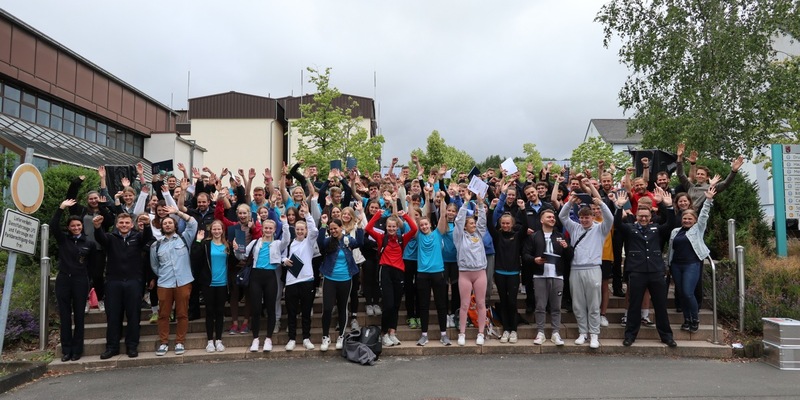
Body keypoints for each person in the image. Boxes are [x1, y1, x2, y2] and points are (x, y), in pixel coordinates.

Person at [613, 190, 678, 347]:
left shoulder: (656, 229)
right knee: (634, 305)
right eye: (641, 216)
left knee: (661, 305)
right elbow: (617, 224)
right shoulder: (630, 228)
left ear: (650, 218)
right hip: (637, 272)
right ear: (636, 216)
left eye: (646, 216)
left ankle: (667, 336)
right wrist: (619, 207)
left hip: (656, 272)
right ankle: (630, 335)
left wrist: (668, 206)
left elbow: (670, 224)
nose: (643, 218)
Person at [558, 180, 613, 349]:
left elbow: (610, 217)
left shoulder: (600, 228)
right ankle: (583, 332)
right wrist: (570, 203)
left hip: (593, 268)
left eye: (587, 217)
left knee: (593, 303)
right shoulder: (575, 228)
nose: (584, 220)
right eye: (582, 217)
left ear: (592, 217)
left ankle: (594, 334)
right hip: (576, 269)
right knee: (578, 303)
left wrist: (601, 203)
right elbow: (562, 216)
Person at [93, 211, 153, 359]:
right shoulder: (110, 238)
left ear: (132, 225)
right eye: (121, 223)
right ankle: (112, 347)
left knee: (133, 315)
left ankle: (132, 346)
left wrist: (147, 225)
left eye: (127, 223)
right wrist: (97, 227)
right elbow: (100, 238)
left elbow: (147, 238)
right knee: (113, 316)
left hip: (133, 281)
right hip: (114, 282)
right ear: (117, 225)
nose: (124, 225)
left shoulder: (137, 237)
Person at [365, 193, 418, 347]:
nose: (392, 229)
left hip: (399, 271)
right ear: (386, 227)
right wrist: (378, 215)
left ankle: (392, 332)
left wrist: (405, 216)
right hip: (385, 270)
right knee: (388, 304)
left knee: (395, 305)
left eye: (394, 227)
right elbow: (368, 228)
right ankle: (383, 334)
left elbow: (414, 229)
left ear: (397, 227)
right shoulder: (383, 238)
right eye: (389, 227)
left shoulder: (402, 238)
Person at [238, 212, 290, 352]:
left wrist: (284, 223)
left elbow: (286, 240)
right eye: (265, 228)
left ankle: (268, 339)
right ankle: (255, 339)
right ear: (262, 229)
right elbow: (242, 255)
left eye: (270, 228)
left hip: (270, 277)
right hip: (256, 276)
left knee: (271, 308)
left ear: (274, 230)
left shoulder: (278, 243)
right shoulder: (255, 242)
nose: (267, 230)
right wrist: (238, 248)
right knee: (256, 309)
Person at [150, 207, 198, 356]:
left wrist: (177, 212)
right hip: (164, 283)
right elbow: (155, 266)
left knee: (182, 314)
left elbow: (193, 223)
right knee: (163, 314)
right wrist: (164, 275)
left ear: (175, 225)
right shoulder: (156, 245)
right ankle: (164, 342)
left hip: (183, 282)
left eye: (170, 222)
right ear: (161, 227)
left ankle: (179, 342)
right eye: (165, 223)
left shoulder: (185, 239)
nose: (168, 225)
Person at [52, 199, 96, 362]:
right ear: (69, 228)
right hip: (64, 280)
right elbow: (53, 226)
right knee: (64, 316)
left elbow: (91, 266)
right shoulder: (64, 240)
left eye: (78, 225)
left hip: (80, 281)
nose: (76, 228)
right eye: (73, 226)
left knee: (79, 316)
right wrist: (61, 208)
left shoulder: (89, 243)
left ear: (82, 226)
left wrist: (89, 283)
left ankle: (77, 350)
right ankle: (67, 350)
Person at [669, 186, 716, 333]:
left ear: (694, 220)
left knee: (688, 292)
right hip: (676, 265)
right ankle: (686, 319)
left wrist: (708, 199)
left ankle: (694, 318)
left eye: (690, 219)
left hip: (692, 264)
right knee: (682, 293)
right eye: (685, 218)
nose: (687, 220)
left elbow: (704, 215)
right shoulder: (675, 231)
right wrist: (668, 264)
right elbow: (671, 249)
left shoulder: (697, 229)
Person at [524, 208, 571, 346]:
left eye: (553, 217)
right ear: (541, 220)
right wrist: (534, 260)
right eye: (549, 217)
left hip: (557, 275)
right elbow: (525, 254)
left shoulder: (560, 236)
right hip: (540, 275)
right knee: (540, 305)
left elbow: (569, 256)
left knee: (556, 306)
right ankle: (540, 332)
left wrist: (567, 247)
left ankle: (556, 332)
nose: (552, 219)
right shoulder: (534, 236)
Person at [318, 214, 365, 351]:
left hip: (346, 279)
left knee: (342, 307)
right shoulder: (328, 241)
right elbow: (320, 243)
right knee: (327, 308)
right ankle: (325, 337)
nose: (333, 231)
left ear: (341, 228)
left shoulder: (347, 240)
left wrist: (360, 227)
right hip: (330, 279)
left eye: (335, 228)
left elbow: (360, 243)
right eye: (330, 229)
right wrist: (323, 225)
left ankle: (341, 336)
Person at [488, 181, 527, 344]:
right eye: (503, 223)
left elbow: (524, 226)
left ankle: (514, 331)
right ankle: (506, 330)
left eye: (507, 223)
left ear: (512, 224)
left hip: (513, 273)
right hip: (500, 272)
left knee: (512, 302)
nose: (505, 225)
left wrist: (523, 210)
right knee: (503, 302)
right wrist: (491, 209)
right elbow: (490, 225)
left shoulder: (517, 235)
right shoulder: (497, 235)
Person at [414, 191, 452, 346]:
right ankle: (424, 335)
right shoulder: (418, 235)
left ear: (430, 224)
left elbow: (443, 215)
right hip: (422, 274)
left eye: (425, 224)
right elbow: (417, 215)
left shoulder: (438, 233)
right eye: (421, 224)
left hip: (438, 273)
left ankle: (444, 334)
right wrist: (425, 197)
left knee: (441, 304)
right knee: (423, 305)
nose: (423, 226)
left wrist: (442, 199)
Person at [282, 202, 319, 351]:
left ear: (305, 230)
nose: (299, 231)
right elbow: (281, 255)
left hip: (307, 281)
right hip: (291, 282)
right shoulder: (290, 243)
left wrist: (307, 214)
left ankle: (306, 338)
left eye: (302, 229)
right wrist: (283, 260)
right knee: (291, 312)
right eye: (297, 229)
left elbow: (315, 231)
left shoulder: (309, 242)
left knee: (306, 311)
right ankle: (291, 338)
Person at [454, 190, 488, 346]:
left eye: (474, 223)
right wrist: (466, 202)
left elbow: (483, 222)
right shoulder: (459, 237)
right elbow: (459, 221)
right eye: (471, 224)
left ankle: (481, 333)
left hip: (480, 272)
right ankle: (462, 333)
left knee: (481, 303)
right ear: (465, 227)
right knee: (464, 304)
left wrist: (480, 204)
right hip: (465, 274)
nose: (473, 225)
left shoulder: (479, 234)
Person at [190, 220, 230, 353]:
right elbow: (194, 257)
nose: (217, 231)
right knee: (209, 312)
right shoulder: (206, 244)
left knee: (220, 312)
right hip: (209, 283)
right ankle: (209, 341)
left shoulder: (227, 245)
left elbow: (234, 261)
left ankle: (218, 340)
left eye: (219, 229)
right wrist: (198, 241)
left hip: (223, 283)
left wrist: (235, 249)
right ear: (210, 230)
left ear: (222, 230)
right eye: (214, 229)